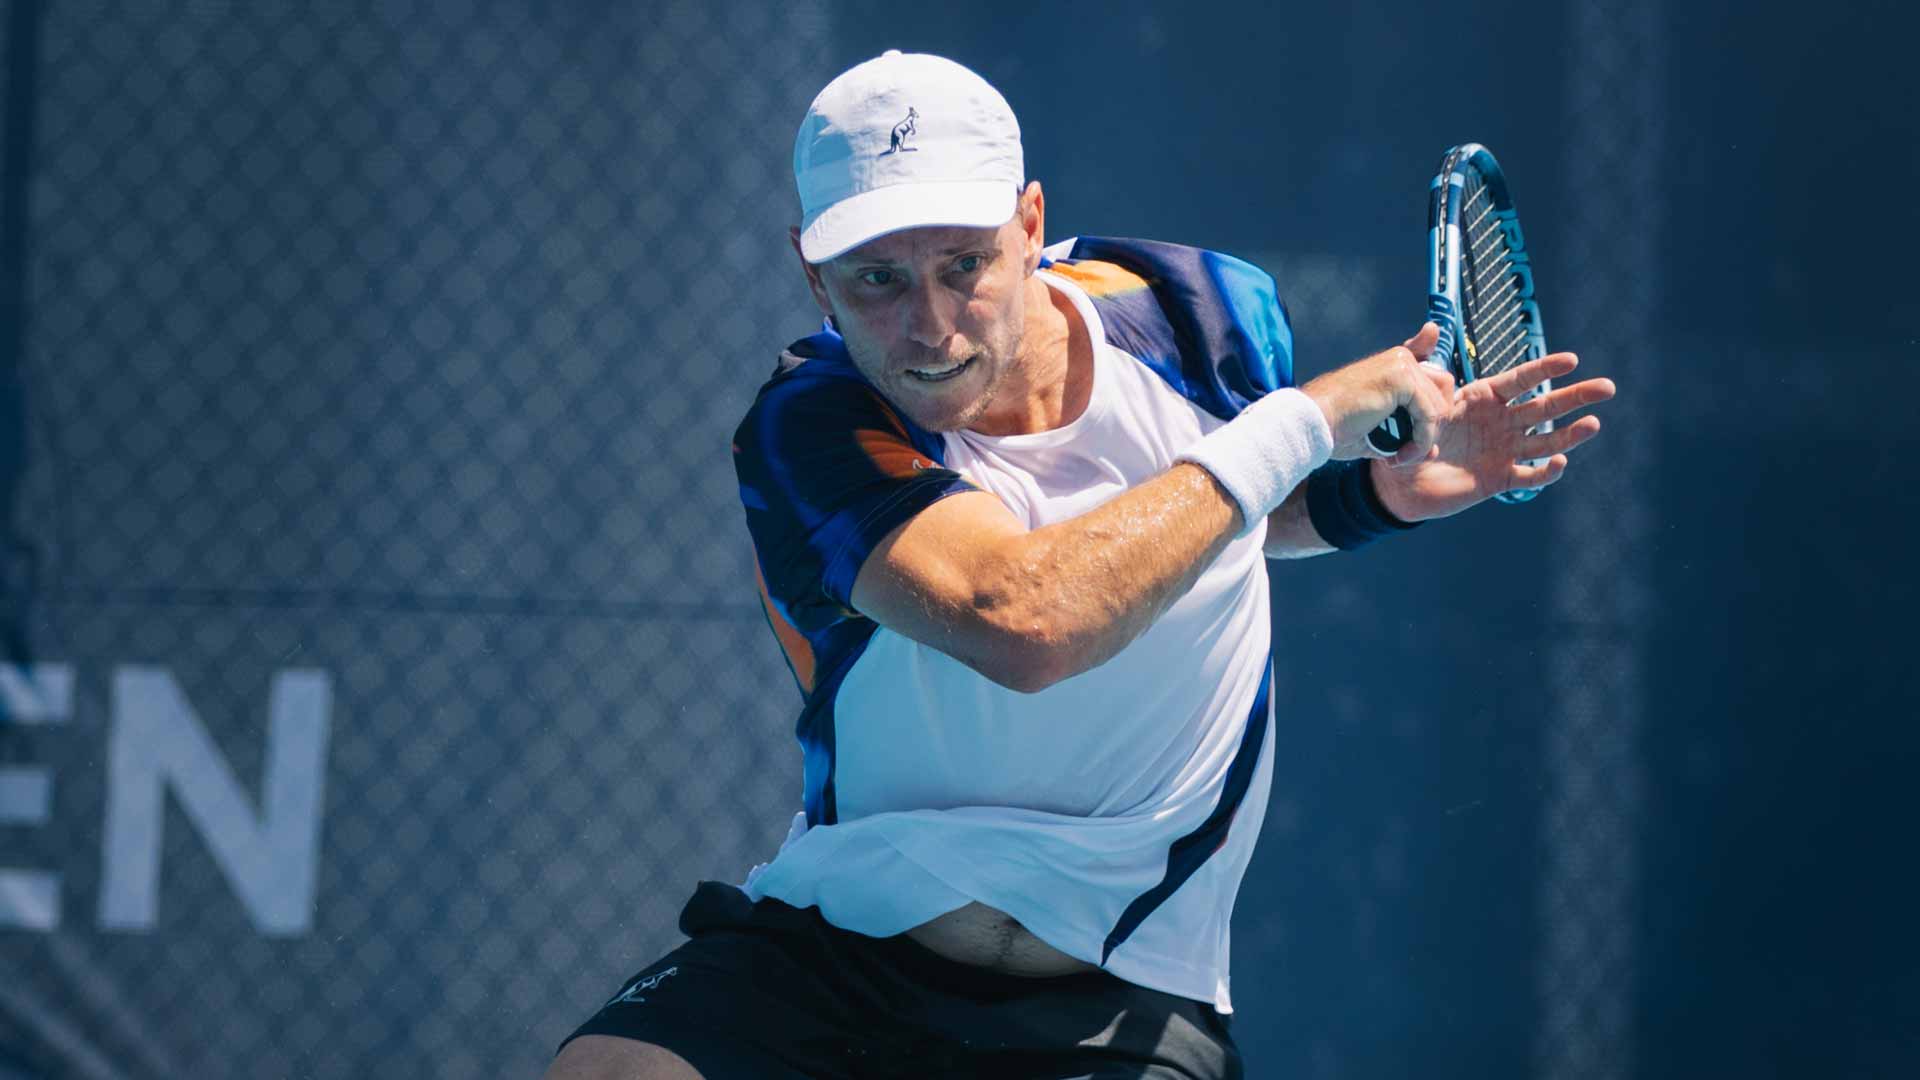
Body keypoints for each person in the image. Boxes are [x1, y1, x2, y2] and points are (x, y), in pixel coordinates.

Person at [546, 50, 1613, 1080]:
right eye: (876, 280)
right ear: (810, 272)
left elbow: (1220, 508)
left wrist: (1368, 493)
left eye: (965, 265)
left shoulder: (1206, 317)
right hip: (836, 958)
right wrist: (1306, 420)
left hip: (1122, 1003)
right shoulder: (809, 425)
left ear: (1031, 225)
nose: (928, 327)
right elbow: (1025, 619)